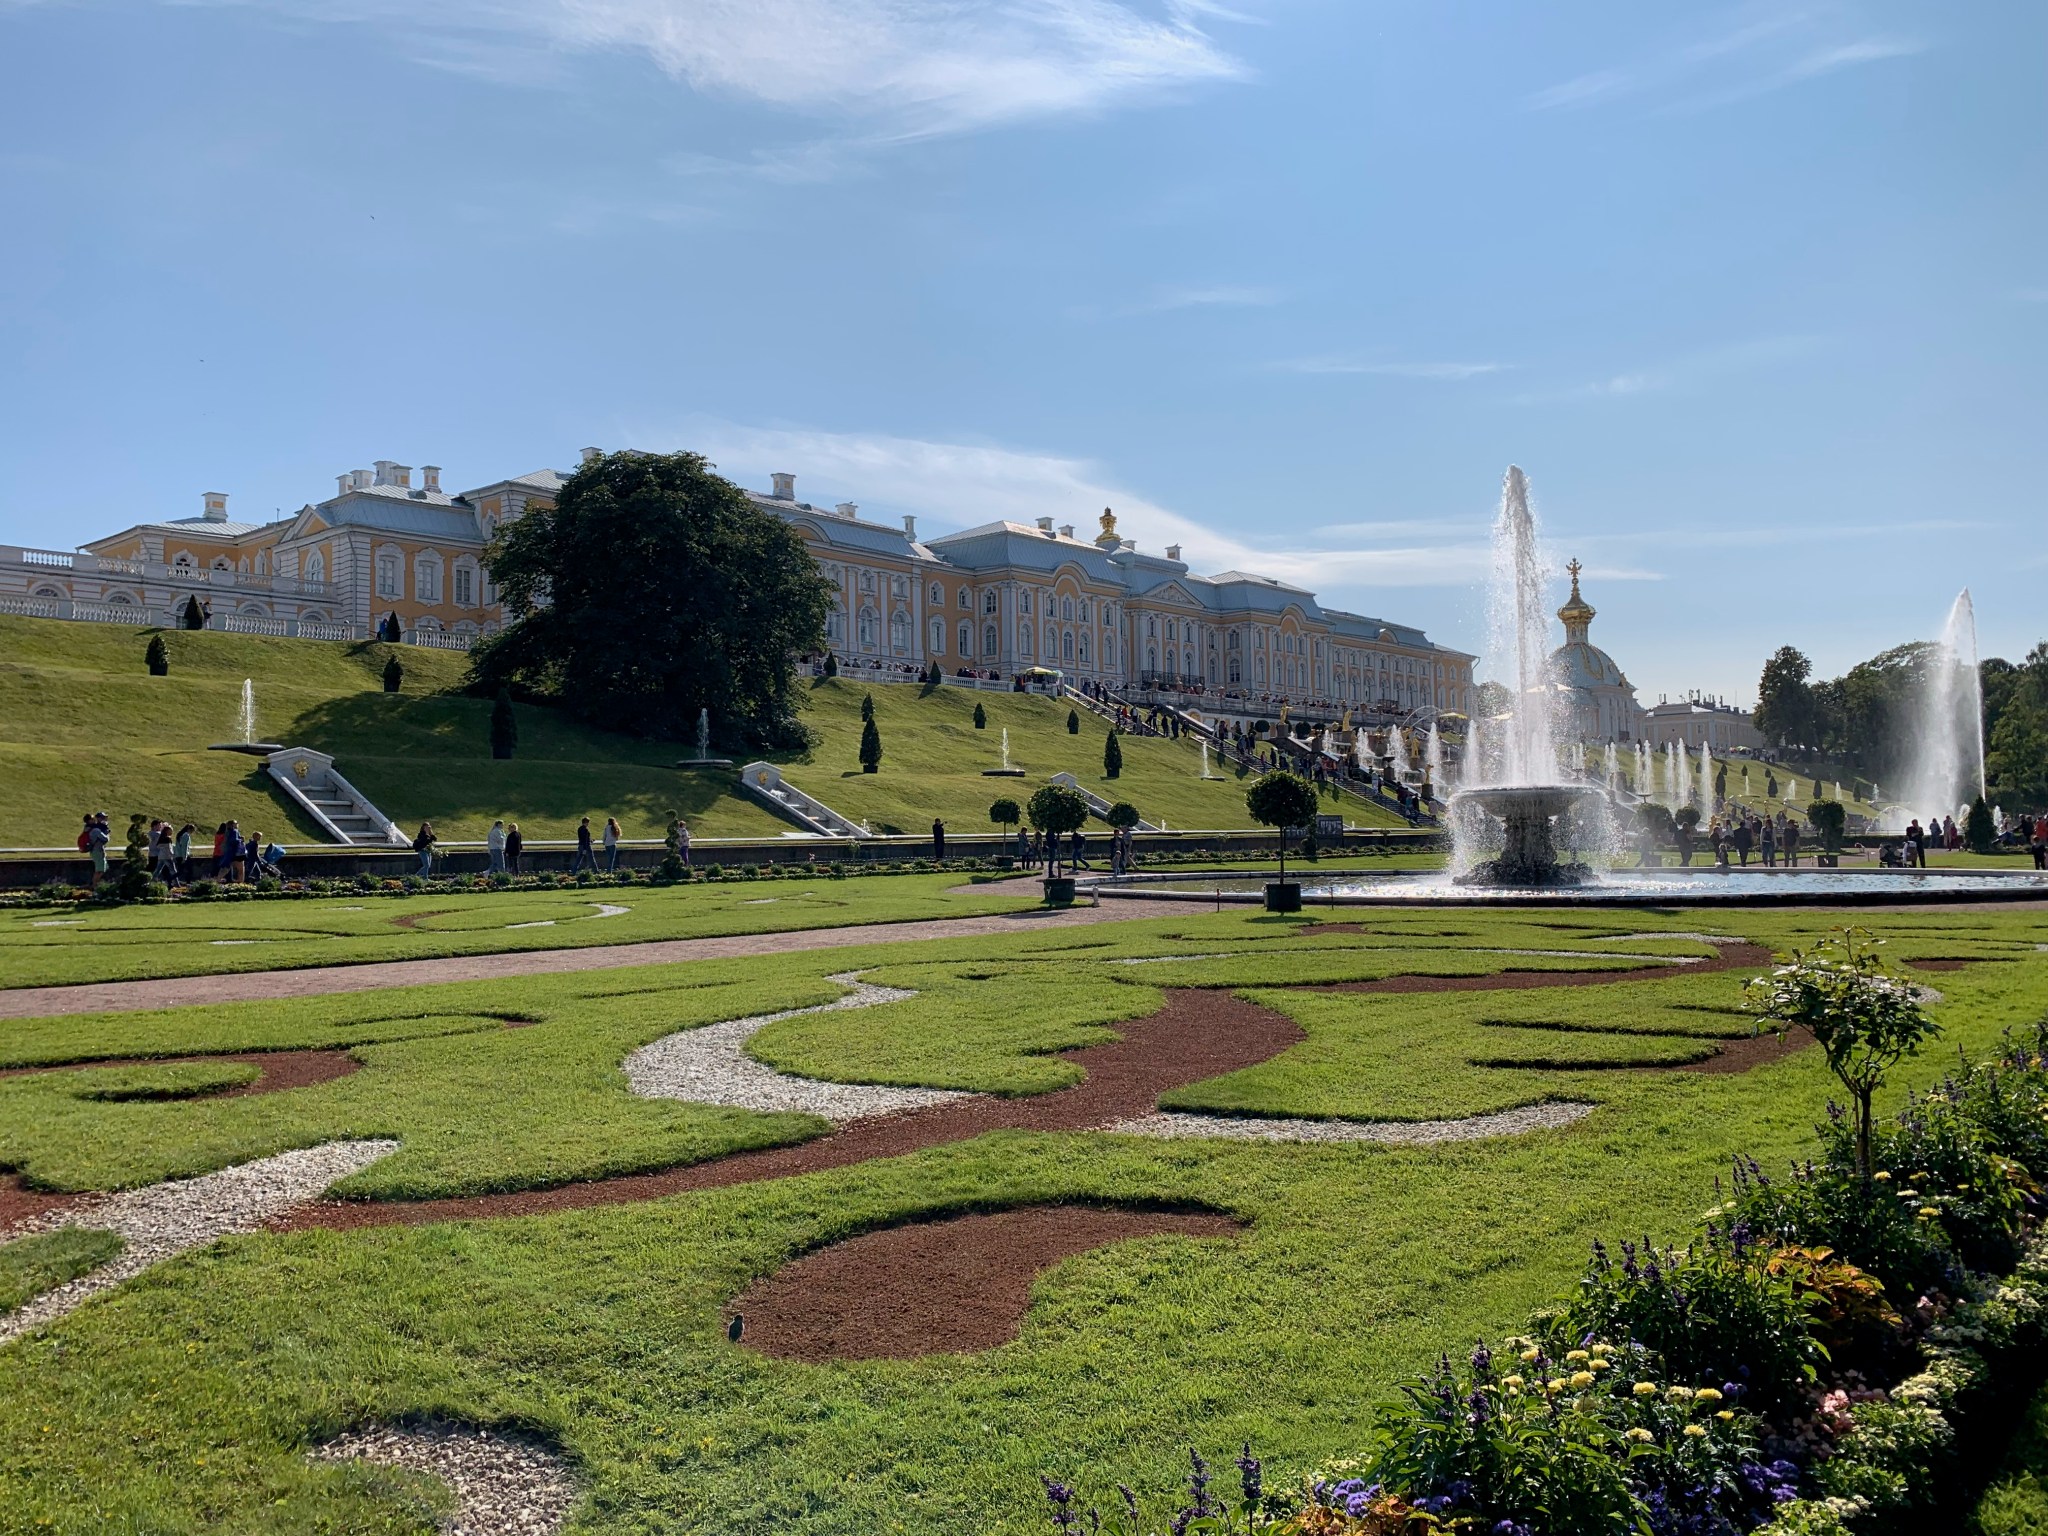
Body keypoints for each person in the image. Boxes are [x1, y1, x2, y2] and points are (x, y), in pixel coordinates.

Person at [85, 812, 110, 887]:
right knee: (100, 870)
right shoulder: (96, 830)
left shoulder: (91, 828)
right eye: (102, 818)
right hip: (98, 851)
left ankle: (95, 885)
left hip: (96, 851)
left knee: (102, 869)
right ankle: (94, 886)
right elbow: (105, 839)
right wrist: (107, 833)